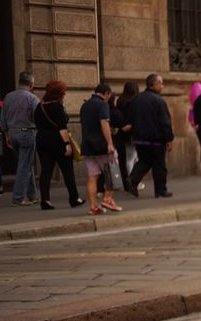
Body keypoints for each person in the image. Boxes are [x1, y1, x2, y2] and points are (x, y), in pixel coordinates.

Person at [34, 80, 83, 209]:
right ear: (59, 93)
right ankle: (74, 198)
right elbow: (62, 128)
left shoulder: (39, 106)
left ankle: (45, 200)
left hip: (41, 140)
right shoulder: (57, 107)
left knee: (46, 171)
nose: (65, 94)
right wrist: (67, 144)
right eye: (63, 92)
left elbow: (37, 124)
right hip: (57, 141)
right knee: (67, 170)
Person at [126, 73, 174, 198]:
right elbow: (165, 122)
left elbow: (130, 118)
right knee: (159, 165)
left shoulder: (136, 99)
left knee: (144, 161)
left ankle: (133, 179)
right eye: (161, 83)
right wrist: (169, 139)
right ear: (155, 84)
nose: (162, 86)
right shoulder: (159, 101)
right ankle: (160, 190)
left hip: (140, 139)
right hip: (155, 139)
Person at [80, 83, 123, 215]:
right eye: (109, 96)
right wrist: (110, 143)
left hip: (87, 146)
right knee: (112, 170)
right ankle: (108, 198)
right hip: (101, 146)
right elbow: (104, 123)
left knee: (92, 176)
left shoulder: (85, 105)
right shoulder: (103, 104)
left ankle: (93, 206)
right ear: (106, 93)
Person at [0, 71, 41, 206]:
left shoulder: (8, 96)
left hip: (12, 133)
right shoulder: (32, 98)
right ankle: (17, 198)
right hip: (27, 133)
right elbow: (38, 118)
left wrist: (7, 136)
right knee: (24, 165)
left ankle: (32, 195)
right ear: (31, 83)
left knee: (26, 164)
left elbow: (3, 119)